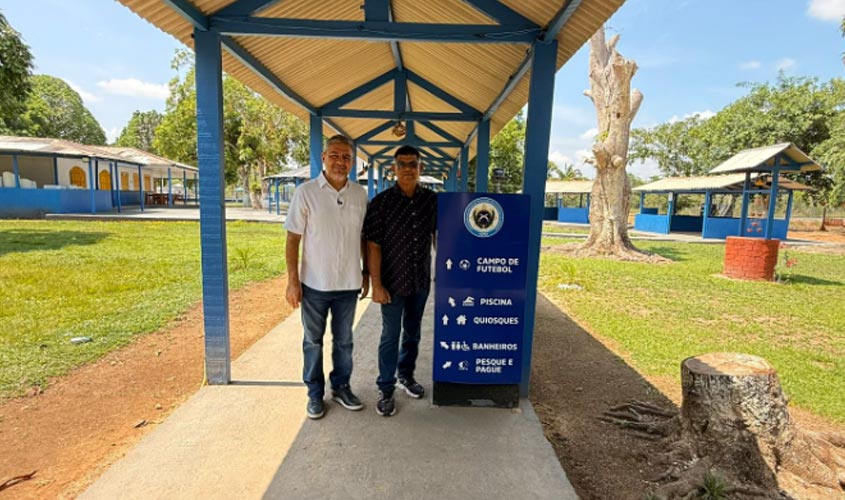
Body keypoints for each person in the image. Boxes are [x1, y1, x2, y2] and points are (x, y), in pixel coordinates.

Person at [284, 134, 369, 420]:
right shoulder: (306, 193)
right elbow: (293, 239)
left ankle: (341, 387)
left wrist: (366, 272)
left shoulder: (359, 194)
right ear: (323, 158)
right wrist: (293, 282)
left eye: (346, 157)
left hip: (348, 284)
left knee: (344, 341)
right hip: (314, 285)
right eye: (334, 155)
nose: (340, 161)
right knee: (313, 341)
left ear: (352, 162)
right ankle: (314, 394)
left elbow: (364, 239)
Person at [364, 145, 437, 417]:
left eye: (413, 163)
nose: (408, 168)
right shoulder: (381, 203)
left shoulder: (432, 200)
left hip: (420, 282)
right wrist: (376, 284)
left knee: (413, 332)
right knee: (390, 335)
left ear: (421, 168)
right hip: (392, 283)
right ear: (393, 169)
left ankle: (406, 375)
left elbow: (444, 235)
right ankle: (386, 387)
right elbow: (373, 245)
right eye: (402, 164)